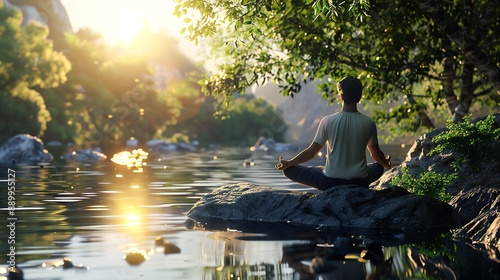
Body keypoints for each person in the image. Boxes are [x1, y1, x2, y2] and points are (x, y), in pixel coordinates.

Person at [275, 76, 391, 190]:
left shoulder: (327, 121)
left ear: (341, 97)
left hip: (330, 182)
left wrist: (288, 163)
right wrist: (386, 163)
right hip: (360, 182)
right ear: (360, 97)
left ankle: (326, 170)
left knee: (289, 170)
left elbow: (310, 153)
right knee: (378, 166)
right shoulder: (369, 123)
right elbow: (376, 155)